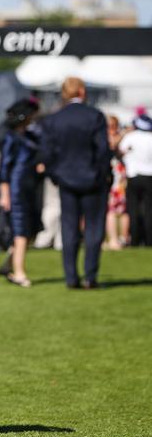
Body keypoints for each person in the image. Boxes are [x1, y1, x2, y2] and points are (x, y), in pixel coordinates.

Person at [40, 77, 111, 289]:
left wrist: (56, 175)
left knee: (69, 228)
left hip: (66, 181)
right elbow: (103, 150)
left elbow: (46, 152)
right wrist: (101, 173)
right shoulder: (94, 116)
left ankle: (71, 277)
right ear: (81, 91)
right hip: (93, 180)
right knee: (93, 228)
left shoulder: (54, 120)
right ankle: (90, 276)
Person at [0, 98, 42, 287]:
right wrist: (4, 193)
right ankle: (19, 272)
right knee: (21, 229)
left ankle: (10, 261)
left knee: (30, 230)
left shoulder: (31, 136)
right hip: (16, 187)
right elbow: (4, 167)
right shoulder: (11, 138)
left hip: (30, 185)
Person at [120, 114, 152, 246]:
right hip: (149, 176)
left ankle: (134, 239)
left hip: (133, 176)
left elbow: (121, 151)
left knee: (132, 209)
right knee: (149, 209)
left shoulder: (130, 137)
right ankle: (149, 240)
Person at [105, 114, 129, 250]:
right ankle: (120, 238)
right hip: (117, 176)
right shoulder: (119, 136)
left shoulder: (110, 137)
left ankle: (115, 240)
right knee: (120, 210)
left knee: (113, 210)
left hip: (115, 177)